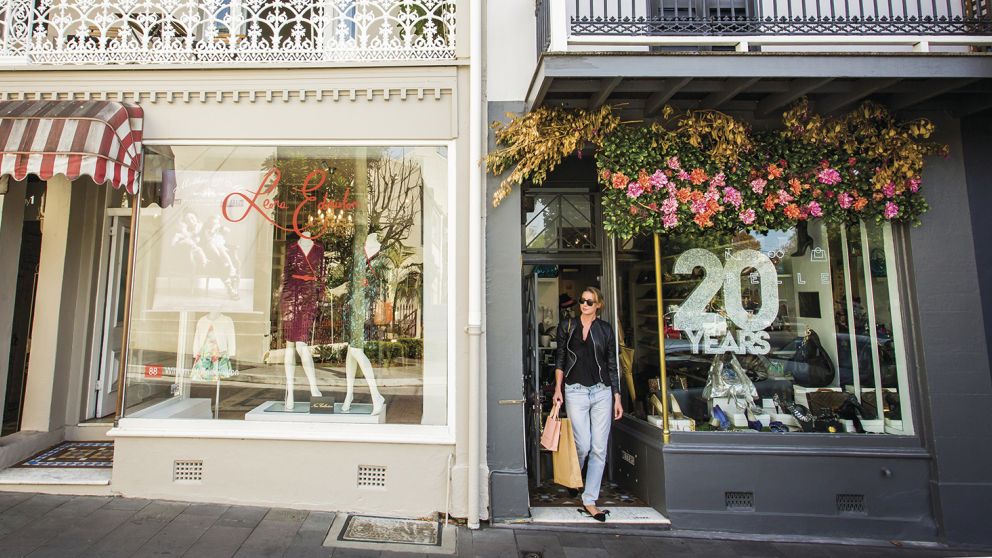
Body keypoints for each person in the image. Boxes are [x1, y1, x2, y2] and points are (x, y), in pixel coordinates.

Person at [552, 286, 623, 522]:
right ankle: (575, 477)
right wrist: (557, 390)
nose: (584, 305)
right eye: (582, 301)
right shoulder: (568, 326)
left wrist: (617, 396)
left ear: (599, 305)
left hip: (601, 391)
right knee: (582, 444)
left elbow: (611, 364)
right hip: (576, 391)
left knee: (599, 448)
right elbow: (560, 358)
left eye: (590, 302)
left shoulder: (605, 330)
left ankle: (590, 499)